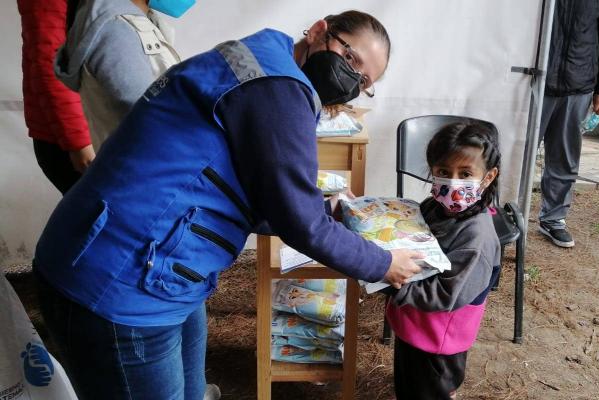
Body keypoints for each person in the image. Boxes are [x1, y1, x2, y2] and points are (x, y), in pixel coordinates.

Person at [33, 10, 423, 399]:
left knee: (191, 389)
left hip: (161, 269)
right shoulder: (280, 89)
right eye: (351, 59)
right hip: (118, 278)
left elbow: (265, 190)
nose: (351, 79)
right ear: (320, 30)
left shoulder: (267, 62)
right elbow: (301, 224)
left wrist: (329, 209)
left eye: (363, 81)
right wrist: (383, 265)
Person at [385, 122, 501, 400]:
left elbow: (446, 295)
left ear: (487, 177)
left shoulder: (477, 238)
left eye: (465, 174)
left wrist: (391, 282)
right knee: (408, 387)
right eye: (443, 173)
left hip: (437, 343)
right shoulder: (432, 208)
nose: (453, 183)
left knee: (427, 390)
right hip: (413, 326)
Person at [537, 0, 599, 248]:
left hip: (578, 84)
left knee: (564, 157)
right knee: (517, 154)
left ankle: (553, 218)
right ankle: (504, 210)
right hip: (531, 82)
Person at [55, 0, 181, 151]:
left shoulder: (138, 20)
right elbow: (146, 117)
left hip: (150, 163)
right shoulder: (115, 29)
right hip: (145, 164)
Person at [17, 0, 93, 194]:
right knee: (98, 222)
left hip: (96, 126)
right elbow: (50, 62)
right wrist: (79, 143)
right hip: (73, 138)